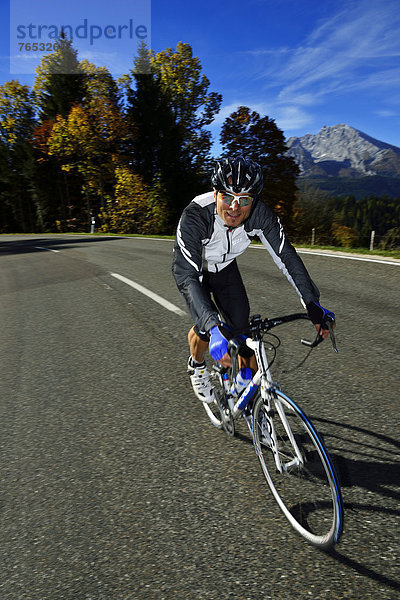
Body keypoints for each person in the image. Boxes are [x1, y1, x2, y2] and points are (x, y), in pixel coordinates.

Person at [172, 156, 335, 403]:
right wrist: (212, 326)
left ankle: (250, 395)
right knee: (207, 329)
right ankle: (196, 366)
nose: (235, 208)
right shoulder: (195, 216)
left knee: (244, 333)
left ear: (254, 200)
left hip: (226, 270)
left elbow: (287, 258)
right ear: (215, 193)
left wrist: (312, 304)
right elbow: (187, 276)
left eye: (244, 200)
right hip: (196, 272)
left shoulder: (260, 215)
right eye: (227, 197)